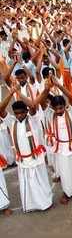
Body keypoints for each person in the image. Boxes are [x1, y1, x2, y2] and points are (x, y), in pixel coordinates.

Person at [0, 85, 53, 213]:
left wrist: (19, 93)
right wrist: (11, 93)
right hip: (23, 161)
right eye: (16, 113)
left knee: (40, 182)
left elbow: (33, 106)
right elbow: (1, 109)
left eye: (21, 113)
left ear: (26, 111)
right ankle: (31, 205)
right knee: (28, 184)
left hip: (36, 158)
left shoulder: (33, 119)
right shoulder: (12, 122)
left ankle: (45, 203)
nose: (19, 116)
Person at [42, 76, 72, 205]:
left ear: (64, 106)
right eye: (56, 108)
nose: (59, 111)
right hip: (60, 148)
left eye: (61, 108)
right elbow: (41, 103)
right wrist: (47, 89)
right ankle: (66, 193)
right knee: (64, 171)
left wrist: (59, 85)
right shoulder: (50, 114)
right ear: (52, 108)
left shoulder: (71, 112)